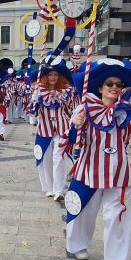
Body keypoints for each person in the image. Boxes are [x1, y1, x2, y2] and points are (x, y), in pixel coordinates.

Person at [62, 58, 131, 260]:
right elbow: (72, 140)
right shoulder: (85, 107)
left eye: (118, 84)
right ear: (100, 87)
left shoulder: (129, 109)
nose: (114, 88)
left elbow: (129, 130)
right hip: (89, 169)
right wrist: (76, 125)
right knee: (84, 211)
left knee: (116, 216)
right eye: (109, 84)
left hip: (118, 171)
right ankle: (78, 244)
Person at [30, 62, 75, 201]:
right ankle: (49, 188)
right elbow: (32, 113)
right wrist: (34, 100)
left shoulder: (66, 91)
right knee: (45, 159)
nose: (53, 77)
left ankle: (59, 190)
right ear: (45, 76)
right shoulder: (39, 91)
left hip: (62, 129)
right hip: (44, 130)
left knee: (59, 157)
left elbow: (70, 110)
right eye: (50, 74)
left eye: (56, 74)